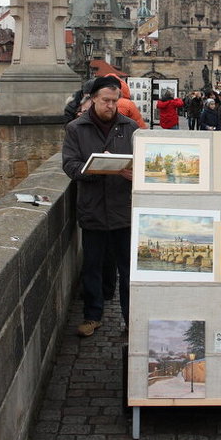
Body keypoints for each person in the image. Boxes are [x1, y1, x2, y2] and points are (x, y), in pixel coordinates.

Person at [62, 76, 138, 336]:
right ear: (93, 98)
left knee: (128, 272)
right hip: (92, 209)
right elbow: (69, 165)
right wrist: (96, 168)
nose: (111, 106)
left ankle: (132, 320)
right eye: (106, 100)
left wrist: (133, 172)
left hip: (123, 210)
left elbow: (145, 162)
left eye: (115, 101)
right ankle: (92, 317)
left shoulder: (129, 127)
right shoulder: (76, 128)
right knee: (92, 268)